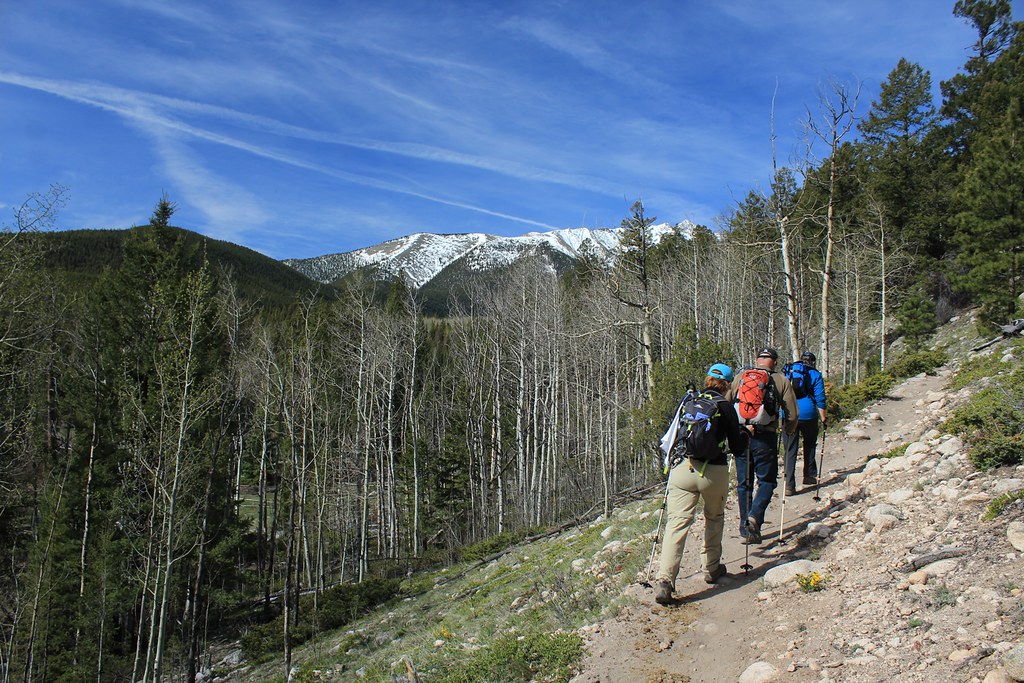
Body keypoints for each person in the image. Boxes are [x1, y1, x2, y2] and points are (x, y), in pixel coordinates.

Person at [654, 363, 750, 605]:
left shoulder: (689, 400)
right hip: (713, 472)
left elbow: (674, 434)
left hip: (683, 468)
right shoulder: (726, 407)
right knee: (714, 518)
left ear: (707, 379)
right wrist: (745, 434)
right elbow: (738, 448)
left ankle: (665, 580)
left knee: (676, 524)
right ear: (728, 384)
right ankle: (711, 568)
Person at [728, 347, 798, 545]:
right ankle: (755, 517)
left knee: (744, 483)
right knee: (767, 481)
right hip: (765, 436)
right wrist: (789, 430)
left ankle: (745, 529)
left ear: (757, 359)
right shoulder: (781, 380)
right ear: (774, 362)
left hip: (742, 436)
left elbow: (727, 402)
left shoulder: (741, 376)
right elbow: (792, 413)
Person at [783, 351, 828, 495]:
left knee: (790, 450)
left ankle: (789, 485)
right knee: (809, 442)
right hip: (808, 414)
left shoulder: (788, 372)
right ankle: (809, 475)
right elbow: (820, 398)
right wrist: (824, 418)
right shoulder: (815, 374)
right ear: (813, 362)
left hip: (789, 414)